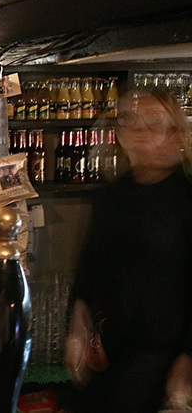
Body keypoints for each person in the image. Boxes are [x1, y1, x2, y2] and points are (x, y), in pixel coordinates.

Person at [65, 88, 192, 411]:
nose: (139, 129)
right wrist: (79, 323)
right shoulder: (112, 197)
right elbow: (88, 270)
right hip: (110, 354)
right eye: (128, 120)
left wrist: (187, 360)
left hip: (165, 360)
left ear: (175, 134)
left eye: (153, 121)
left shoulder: (186, 199)